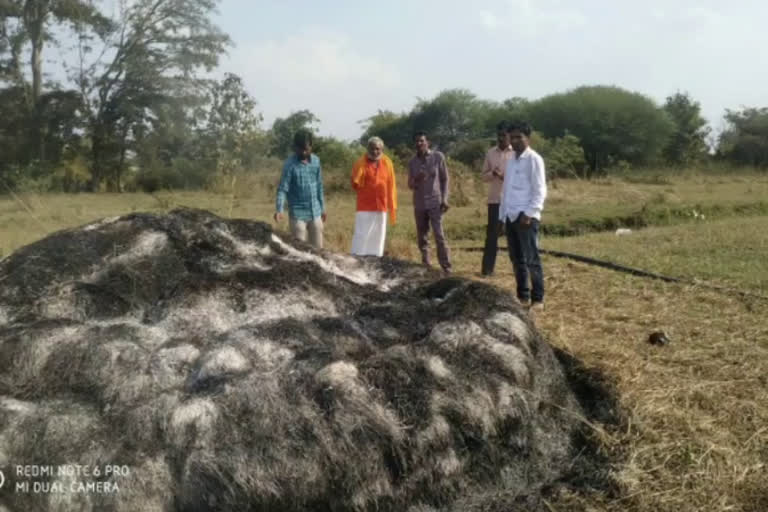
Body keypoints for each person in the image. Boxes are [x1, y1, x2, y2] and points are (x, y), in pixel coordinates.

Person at [498, 121, 547, 311]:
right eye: (513, 137)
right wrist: (502, 217)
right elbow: (506, 190)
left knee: (532, 259)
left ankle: (538, 299)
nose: (515, 140)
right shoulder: (511, 161)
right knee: (516, 259)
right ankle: (522, 296)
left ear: (528, 138)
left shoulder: (534, 159)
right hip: (510, 215)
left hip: (525, 216)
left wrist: (530, 213)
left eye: (520, 137)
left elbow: (540, 190)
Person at [273, 130, 326, 249]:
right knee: (300, 254)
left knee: (319, 252)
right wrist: (279, 209)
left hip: (315, 213)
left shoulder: (316, 161)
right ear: (295, 147)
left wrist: (323, 208)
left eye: (306, 149)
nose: (303, 152)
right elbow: (282, 189)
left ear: (311, 146)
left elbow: (319, 186)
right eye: (300, 149)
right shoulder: (289, 165)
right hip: (298, 215)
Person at [407, 131, 452, 274]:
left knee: (439, 235)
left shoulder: (438, 157)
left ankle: (446, 267)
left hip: (435, 202)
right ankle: (426, 265)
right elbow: (410, 185)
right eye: (417, 141)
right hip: (419, 204)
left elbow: (445, 179)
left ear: (428, 142)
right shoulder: (412, 162)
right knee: (422, 236)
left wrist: (445, 199)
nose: (419, 143)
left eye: (422, 141)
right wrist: (417, 179)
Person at [350, 136, 397, 256]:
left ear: (382, 149)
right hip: (365, 206)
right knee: (362, 235)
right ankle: (357, 257)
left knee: (378, 236)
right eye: (372, 148)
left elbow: (391, 184)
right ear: (367, 149)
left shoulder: (387, 163)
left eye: (378, 149)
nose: (375, 152)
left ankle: (376, 259)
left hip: (381, 205)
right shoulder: (360, 163)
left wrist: (391, 205)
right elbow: (354, 183)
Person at [480, 121, 515, 276]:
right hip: (495, 200)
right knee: (492, 236)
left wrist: (503, 176)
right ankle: (487, 270)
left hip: (512, 202)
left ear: (509, 136)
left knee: (514, 236)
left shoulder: (515, 153)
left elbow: (519, 178)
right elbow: (483, 176)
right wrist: (492, 174)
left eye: (504, 135)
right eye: (499, 135)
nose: (501, 138)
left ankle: (518, 269)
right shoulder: (490, 153)